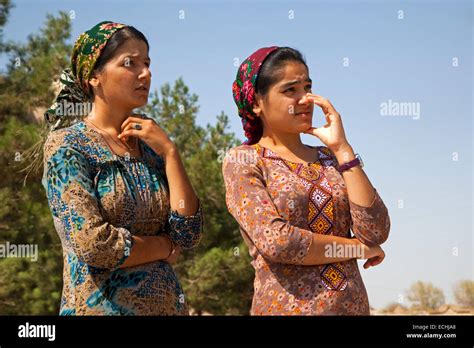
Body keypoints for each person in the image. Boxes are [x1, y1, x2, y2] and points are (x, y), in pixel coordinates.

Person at [42, 21, 202, 315]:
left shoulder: (153, 146)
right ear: (94, 77)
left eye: (147, 63)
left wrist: (170, 153)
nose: (146, 73)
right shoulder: (68, 146)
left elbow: (189, 233)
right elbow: (94, 244)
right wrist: (164, 247)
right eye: (130, 63)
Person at [223, 46, 390, 315]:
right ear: (256, 102)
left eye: (307, 87)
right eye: (290, 90)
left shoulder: (331, 159)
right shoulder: (243, 160)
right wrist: (357, 249)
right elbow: (278, 241)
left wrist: (343, 149)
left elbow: (376, 231)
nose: (305, 99)